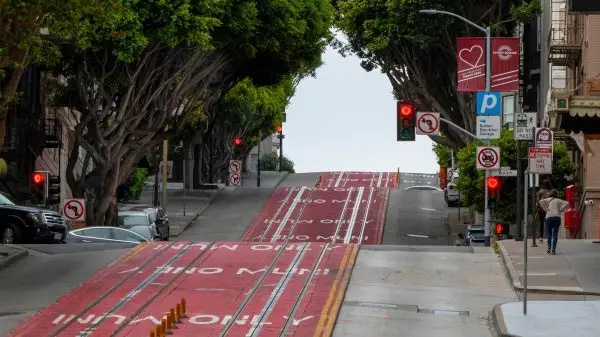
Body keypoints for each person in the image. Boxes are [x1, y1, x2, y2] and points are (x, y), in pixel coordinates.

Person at [538, 189, 570, 255]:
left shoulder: (548, 199)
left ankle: (549, 247)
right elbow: (567, 203)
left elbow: (540, 201)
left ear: (550, 194)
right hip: (557, 217)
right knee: (555, 233)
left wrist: (546, 209)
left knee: (548, 232)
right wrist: (561, 209)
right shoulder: (559, 200)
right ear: (556, 194)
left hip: (549, 217)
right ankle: (553, 249)